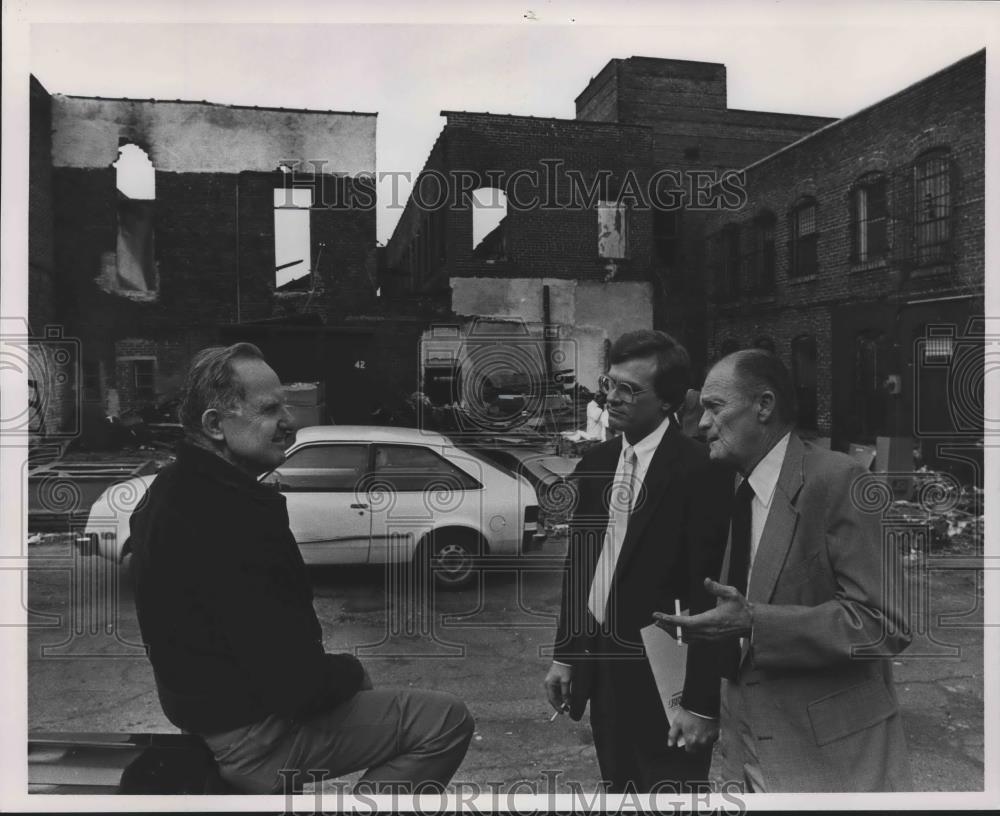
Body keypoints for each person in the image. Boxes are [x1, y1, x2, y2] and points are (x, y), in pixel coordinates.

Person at [126, 343, 474, 794]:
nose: (291, 423)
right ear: (215, 425)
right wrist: (350, 673)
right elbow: (292, 682)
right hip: (252, 738)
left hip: (208, 720)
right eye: (270, 409)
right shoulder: (233, 516)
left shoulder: (168, 491)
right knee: (444, 721)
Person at [654, 349, 912, 792]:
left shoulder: (839, 480)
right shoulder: (732, 485)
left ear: (764, 406)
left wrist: (756, 622)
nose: (700, 423)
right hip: (748, 752)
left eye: (716, 407)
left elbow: (884, 623)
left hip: (834, 761)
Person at [543, 330, 730, 793]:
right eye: (610, 384)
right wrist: (566, 654)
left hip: (668, 681)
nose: (612, 399)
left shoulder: (700, 471)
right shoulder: (597, 465)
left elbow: (709, 596)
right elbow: (583, 567)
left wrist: (702, 704)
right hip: (603, 669)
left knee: (672, 794)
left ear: (669, 402)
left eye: (630, 390)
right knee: (619, 790)